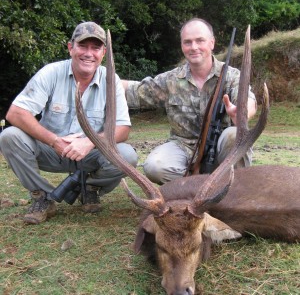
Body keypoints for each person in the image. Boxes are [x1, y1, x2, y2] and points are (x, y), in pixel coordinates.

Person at [0, 22, 138, 224]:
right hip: (51, 149)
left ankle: (90, 188)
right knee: (9, 137)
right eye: (83, 46)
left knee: (128, 155)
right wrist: (54, 141)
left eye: (95, 48)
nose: (88, 53)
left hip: (90, 152)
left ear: (104, 52)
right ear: (70, 47)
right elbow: (16, 113)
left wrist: (90, 142)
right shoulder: (51, 72)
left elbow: (123, 128)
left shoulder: (111, 79)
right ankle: (43, 197)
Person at [122, 18, 256, 185]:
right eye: (188, 42)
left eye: (200, 40)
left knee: (236, 134)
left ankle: (236, 190)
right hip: (183, 147)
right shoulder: (170, 80)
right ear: (182, 46)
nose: (194, 47)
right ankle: (200, 187)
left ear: (212, 43)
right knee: (154, 167)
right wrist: (101, 75)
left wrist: (241, 113)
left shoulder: (232, 76)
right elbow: (135, 90)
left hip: (221, 149)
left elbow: (248, 100)